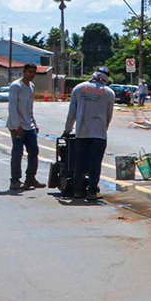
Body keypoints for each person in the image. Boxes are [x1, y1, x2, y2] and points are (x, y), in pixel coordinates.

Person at [62, 66, 116, 201]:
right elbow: (108, 116)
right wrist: (103, 130)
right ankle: (92, 191)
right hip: (99, 135)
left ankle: (78, 191)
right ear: (106, 78)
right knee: (95, 164)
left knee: (79, 163)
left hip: (81, 133)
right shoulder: (109, 93)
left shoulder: (78, 88)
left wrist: (67, 130)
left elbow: (72, 113)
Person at [6, 62, 43, 191]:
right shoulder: (16, 86)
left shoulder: (31, 86)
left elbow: (30, 108)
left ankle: (30, 179)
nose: (31, 75)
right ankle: (15, 181)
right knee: (17, 153)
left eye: (33, 72)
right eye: (29, 72)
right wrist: (17, 126)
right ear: (24, 71)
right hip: (17, 126)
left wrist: (34, 123)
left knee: (34, 152)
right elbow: (12, 107)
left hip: (29, 125)